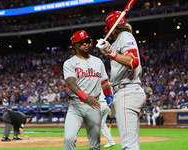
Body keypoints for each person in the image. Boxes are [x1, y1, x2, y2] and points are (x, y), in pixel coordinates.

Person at [96, 11, 146, 150]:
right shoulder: (120, 39)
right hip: (127, 90)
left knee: (128, 146)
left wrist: (111, 51)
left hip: (127, 91)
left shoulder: (125, 35)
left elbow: (133, 61)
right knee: (132, 144)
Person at [63, 30, 113, 150]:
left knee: (95, 144)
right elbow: (71, 83)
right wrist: (85, 97)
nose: (85, 44)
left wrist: (109, 96)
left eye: (87, 41)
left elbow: (104, 82)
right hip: (77, 105)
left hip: (95, 105)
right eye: (81, 42)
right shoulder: (70, 63)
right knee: (69, 138)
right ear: (74, 45)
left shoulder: (98, 61)